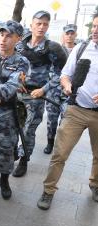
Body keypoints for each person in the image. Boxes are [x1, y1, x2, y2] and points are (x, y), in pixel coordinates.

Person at [37, 13, 98, 210]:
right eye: (94, 26)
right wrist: (67, 84)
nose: (95, 31)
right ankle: (48, 191)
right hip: (76, 110)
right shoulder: (82, 48)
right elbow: (65, 74)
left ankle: (95, 184)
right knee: (60, 153)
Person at [13, 10, 67, 177]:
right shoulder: (20, 45)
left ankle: (23, 160)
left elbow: (59, 74)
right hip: (17, 93)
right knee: (14, 125)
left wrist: (43, 89)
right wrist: (15, 82)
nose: (41, 27)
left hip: (37, 95)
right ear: (31, 25)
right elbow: (12, 66)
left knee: (28, 129)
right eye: (38, 23)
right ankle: (14, 151)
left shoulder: (53, 49)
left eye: (45, 24)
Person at [0, 20, 30, 199]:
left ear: (18, 39)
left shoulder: (22, 62)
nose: (3, 39)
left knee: (6, 149)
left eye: (9, 36)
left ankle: (4, 180)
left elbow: (13, 84)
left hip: (7, 113)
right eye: (2, 34)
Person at [43, 24, 79, 155]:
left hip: (69, 92)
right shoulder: (56, 50)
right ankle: (50, 142)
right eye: (67, 33)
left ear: (75, 35)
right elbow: (48, 69)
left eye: (72, 33)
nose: (69, 36)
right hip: (54, 90)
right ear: (63, 35)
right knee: (51, 119)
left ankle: (59, 145)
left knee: (65, 121)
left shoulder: (79, 51)